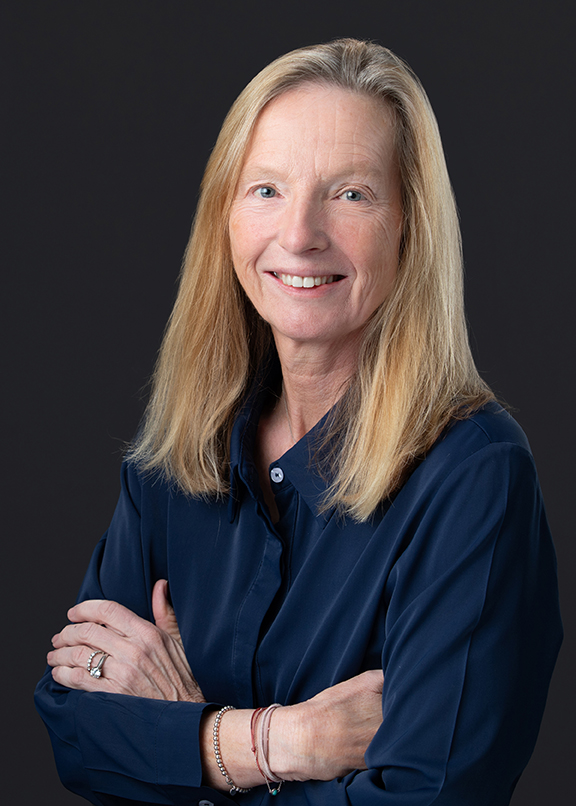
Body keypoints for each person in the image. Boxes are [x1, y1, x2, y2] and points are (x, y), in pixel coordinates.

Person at [35, 39, 562, 806]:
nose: (300, 234)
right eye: (267, 190)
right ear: (226, 216)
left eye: (351, 194)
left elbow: (422, 800)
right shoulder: (175, 463)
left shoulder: (476, 479)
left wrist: (184, 745)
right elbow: (73, 733)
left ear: (410, 227)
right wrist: (278, 743)